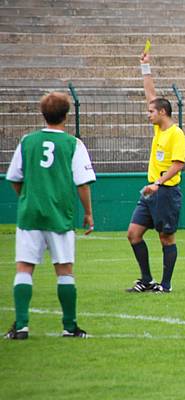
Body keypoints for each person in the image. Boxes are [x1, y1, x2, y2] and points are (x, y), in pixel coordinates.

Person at [4, 92, 95, 340]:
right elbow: (83, 183)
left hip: (30, 214)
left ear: (43, 114)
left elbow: (14, 177)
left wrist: (28, 196)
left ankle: (21, 325)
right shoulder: (73, 144)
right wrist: (88, 213)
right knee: (64, 270)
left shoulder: (27, 141)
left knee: (24, 267)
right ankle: (69, 326)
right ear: (67, 115)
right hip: (59, 214)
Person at [126, 51, 185, 293]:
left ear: (162, 112)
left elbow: (178, 164)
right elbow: (151, 95)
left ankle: (166, 285)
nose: (147, 114)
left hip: (165, 192)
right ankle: (147, 280)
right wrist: (145, 67)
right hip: (151, 191)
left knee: (166, 239)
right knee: (133, 234)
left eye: (151, 112)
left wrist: (158, 183)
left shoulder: (176, 133)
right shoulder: (159, 129)